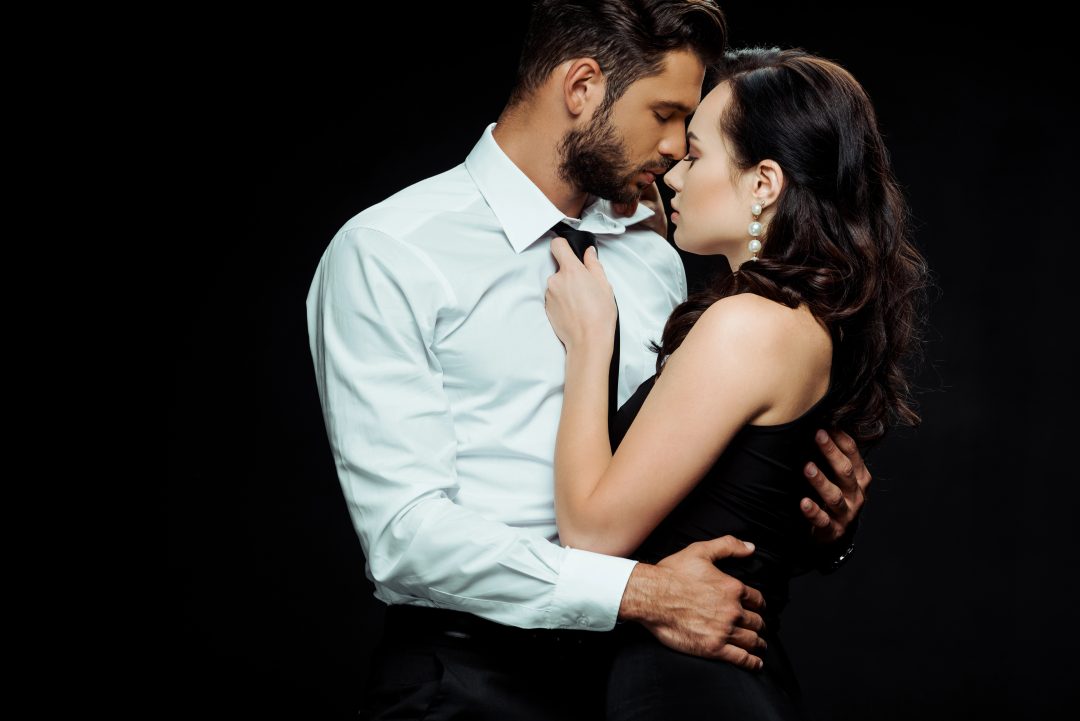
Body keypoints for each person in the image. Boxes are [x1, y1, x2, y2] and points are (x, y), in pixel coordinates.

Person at [305, 3, 868, 719]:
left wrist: (814, 521)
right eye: (665, 114)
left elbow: (687, 479)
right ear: (582, 87)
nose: (675, 148)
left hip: (641, 680)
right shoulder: (391, 251)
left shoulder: (653, 256)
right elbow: (404, 537)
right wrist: (640, 592)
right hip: (471, 682)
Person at [544, 46, 928, 719]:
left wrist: (589, 344)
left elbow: (591, 534)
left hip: (685, 689)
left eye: (695, 156)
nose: (672, 175)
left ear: (763, 183)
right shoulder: (802, 322)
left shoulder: (748, 325)